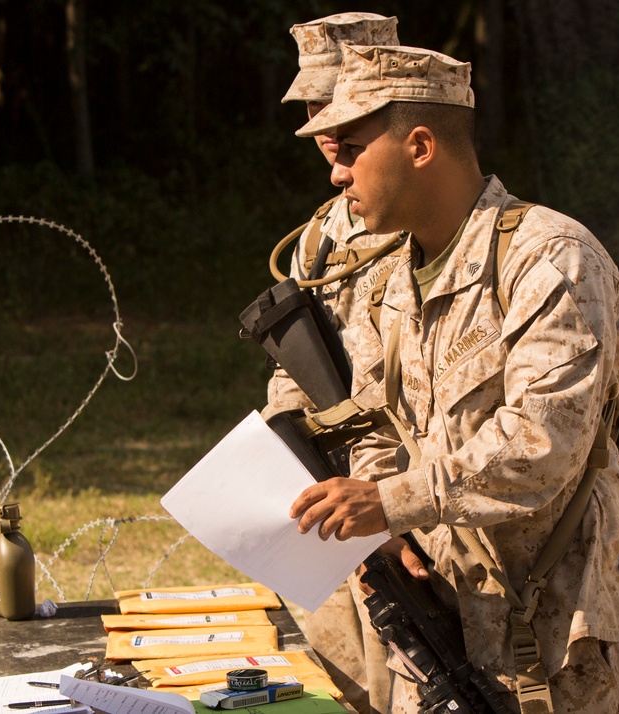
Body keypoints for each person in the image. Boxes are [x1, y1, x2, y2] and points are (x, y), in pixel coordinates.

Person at [287, 44, 619, 713]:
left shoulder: (551, 260)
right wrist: (384, 525)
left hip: (556, 634)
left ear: (419, 145)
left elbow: (542, 447)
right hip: (442, 622)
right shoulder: (393, 277)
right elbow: (373, 416)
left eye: (351, 149)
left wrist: (392, 501)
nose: (336, 176)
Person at [265, 14, 401, 714]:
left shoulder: (429, 217)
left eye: (336, 104)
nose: (319, 123)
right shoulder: (318, 234)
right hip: (334, 508)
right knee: (347, 690)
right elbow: (294, 364)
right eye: (311, 106)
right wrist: (280, 440)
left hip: (412, 510)